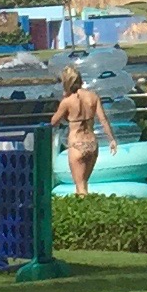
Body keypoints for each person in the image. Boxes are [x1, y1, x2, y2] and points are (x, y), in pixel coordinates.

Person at [51, 65, 115, 196]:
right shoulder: (93, 97)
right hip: (92, 143)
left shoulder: (67, 102)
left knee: (80, 187)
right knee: (84, 183)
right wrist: (111, 139)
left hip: (77, 144)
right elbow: (103, 119)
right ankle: (87, 206)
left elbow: (53, 122)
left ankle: (83, 208)